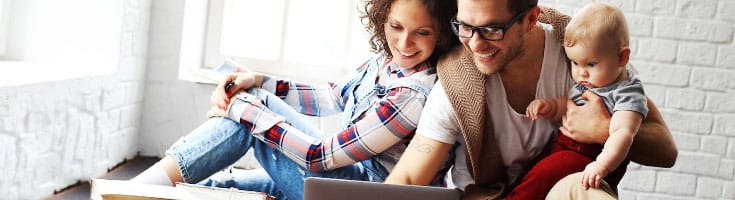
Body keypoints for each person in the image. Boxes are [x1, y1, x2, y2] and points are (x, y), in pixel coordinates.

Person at [131, 0, 459, 199]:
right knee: (221, 186)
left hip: (356, 194)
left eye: (423, 32)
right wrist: (258, 80)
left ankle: (131, 191)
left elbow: (320, 156)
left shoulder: (413, 94)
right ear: (382, 19)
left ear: (441, 32)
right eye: (396, 26)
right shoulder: (384, 62)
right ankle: (139, 193)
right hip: (339, 181)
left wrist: (245, 111)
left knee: (251, 115)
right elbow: (330, 96)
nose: (404, 42)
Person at [384, 0, 677, 199]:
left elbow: (666, 150)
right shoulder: (459, 82)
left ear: (530, 19)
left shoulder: (583, 56)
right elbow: (409, 177)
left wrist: (605, 129)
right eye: (465, 27)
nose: (475, 44)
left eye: (491, 29)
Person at [517, 2, 644, 199]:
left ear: (622, 57)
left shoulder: (627, 93)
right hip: (563, 147)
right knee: (531, 173)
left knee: (541, 177)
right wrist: (550, 106)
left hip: (590, 157)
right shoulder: (588, 83)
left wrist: (601, 165)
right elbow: (570, 102)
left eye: (591, 64)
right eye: (575, 63)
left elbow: (623, 133)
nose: (581, 72)